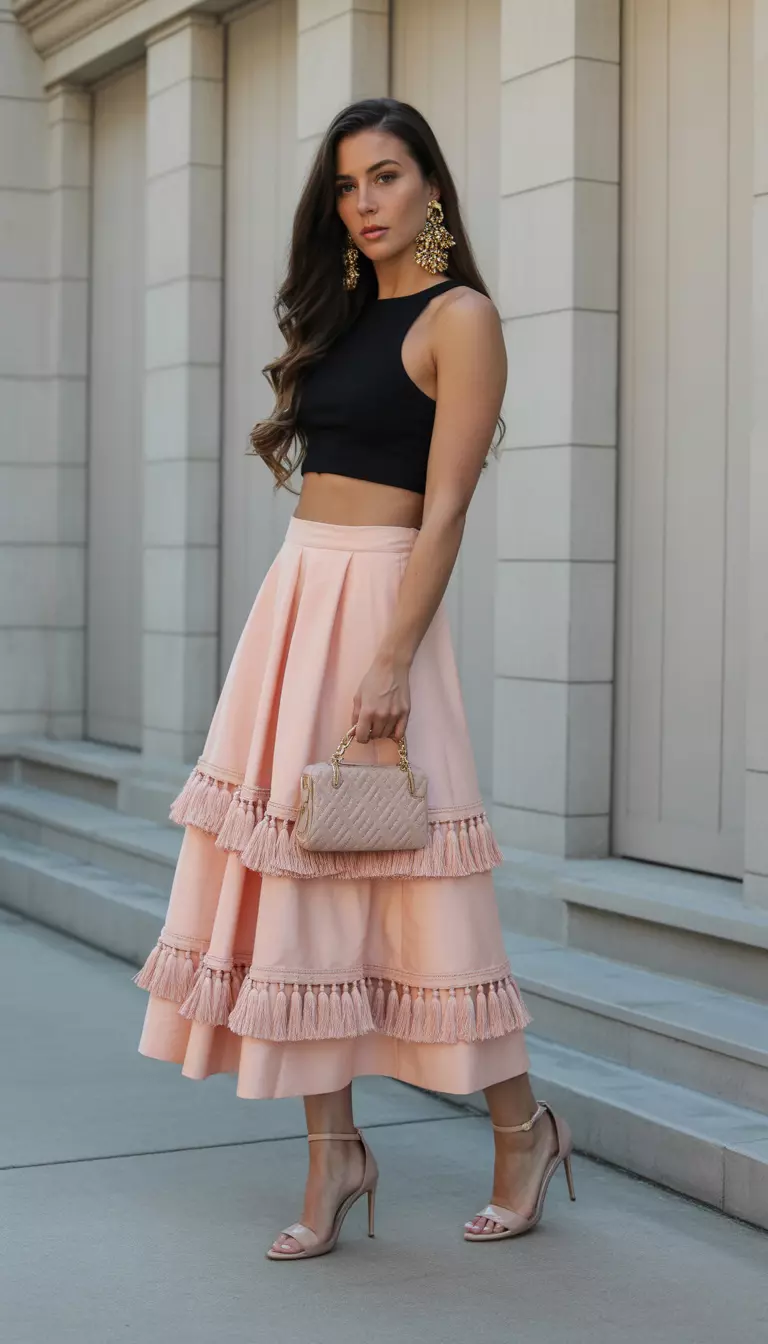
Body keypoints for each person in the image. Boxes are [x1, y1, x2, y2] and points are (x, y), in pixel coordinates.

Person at [133, 96, 575, 1260]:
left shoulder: (459, 316)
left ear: (431, 187)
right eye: (346, 185)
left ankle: (521, 1132)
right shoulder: (342, 319)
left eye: (385, 178)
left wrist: (389, 659)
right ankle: (337, 1159)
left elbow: (445, 514)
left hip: (385, 609)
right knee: (304, 885)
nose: (365, 204)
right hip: (297, 605)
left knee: (426, 882)